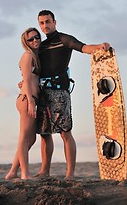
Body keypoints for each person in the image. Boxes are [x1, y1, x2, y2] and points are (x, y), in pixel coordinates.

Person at [36, 10, 111, 179]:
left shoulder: (64, 39)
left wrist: (99, 47)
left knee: (64, 132)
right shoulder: (40, 46)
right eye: (41, 23)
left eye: (48, 21)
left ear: (55, 22)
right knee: (44, 133)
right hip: (42, 93)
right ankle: (44, 171)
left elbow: (83, 48)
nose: (45, 26)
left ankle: (69, 174)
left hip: (60, 92)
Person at [5, 27, 41, 180]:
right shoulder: (27, 56)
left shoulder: (35, 56)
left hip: (30, 99)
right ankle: (25, 174)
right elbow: (26, 79)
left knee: (31, 138)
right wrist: (31, 102)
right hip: (27, 99)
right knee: (24, 137)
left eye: (36, 37)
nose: (35, 40)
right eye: (31, 39)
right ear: (25, 43)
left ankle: (13, 171)